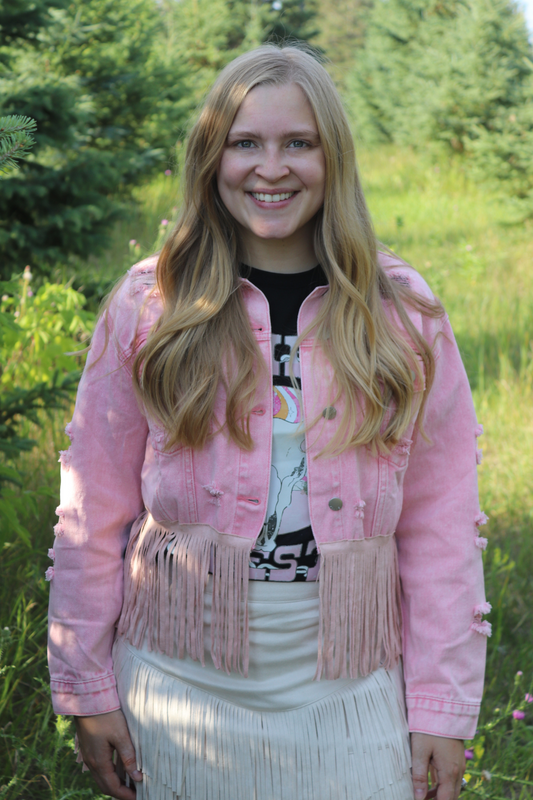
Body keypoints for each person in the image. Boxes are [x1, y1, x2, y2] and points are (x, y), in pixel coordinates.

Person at [47, 44, 490, 800]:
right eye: (245, 143)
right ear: (211, 157)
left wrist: (442, 710)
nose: (270, 167)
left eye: (298, 144)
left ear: (333, 157)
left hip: (344, 687)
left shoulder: (400, 313)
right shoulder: (151, 304)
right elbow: (93, 508)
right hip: (176, 682)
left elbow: (441, 525)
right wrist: (86, 687)